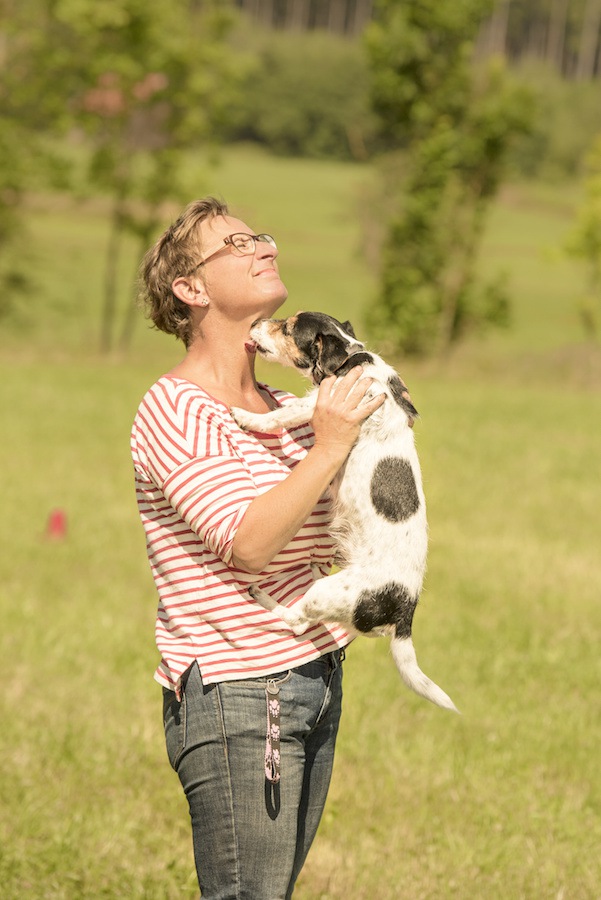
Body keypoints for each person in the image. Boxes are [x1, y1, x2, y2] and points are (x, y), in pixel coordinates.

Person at [130, 197, 385, 899]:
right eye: (235, 244)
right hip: (240, 692)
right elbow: (248, 543)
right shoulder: (175, 408)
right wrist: (331, 443)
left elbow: (332, 539)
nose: (261, 246)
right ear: (191, 289)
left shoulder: (285, 408)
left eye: (261, 236)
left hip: (313, 676)